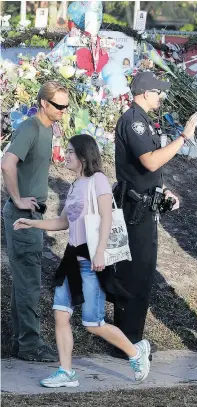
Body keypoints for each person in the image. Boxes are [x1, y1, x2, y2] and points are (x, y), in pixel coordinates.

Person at [13, 135, 151, 388]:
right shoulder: (76, 184)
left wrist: (99, 253)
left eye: (69, 152)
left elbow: (106, 218)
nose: (65, 155)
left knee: (93, 322)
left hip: (91, 260)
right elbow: (63, 222)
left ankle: (135, 352)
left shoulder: (98, 181)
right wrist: (32, 223)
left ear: (84, 156)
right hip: (71, 260)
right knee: (61, 314)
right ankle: (66, 372)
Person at [111, 71, 197, 358]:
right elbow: (149, 162)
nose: (161, 96)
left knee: (142, 273)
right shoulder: (133, 122)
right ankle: (126, 342)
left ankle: (129, 339)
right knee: (134, 274)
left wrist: (163, 191)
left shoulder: (142, 121)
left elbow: (149, 171)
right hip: (134, 208)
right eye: (158, 91)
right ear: (146, 93)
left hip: (144, 204)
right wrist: (184, 136)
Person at [1, 81, 69, 362]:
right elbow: (7, 162)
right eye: (59, 106)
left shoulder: (46, 128)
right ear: (44, 103)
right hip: (24, 216)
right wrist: (18, 200)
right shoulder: (31, 127)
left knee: (24, 282)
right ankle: (30, 345)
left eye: (66, 106)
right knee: (29, 282)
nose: (63, 111)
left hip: (32, 214)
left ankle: (22, 342)